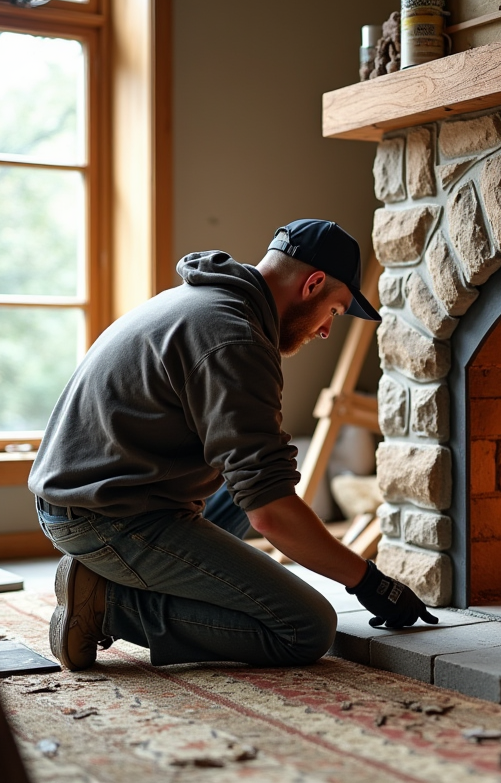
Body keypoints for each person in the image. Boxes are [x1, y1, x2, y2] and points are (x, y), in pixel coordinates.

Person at [29, 218, 436, 672]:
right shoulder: (234, 338)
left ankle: (129, 582)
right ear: (313, 283)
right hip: (103, 517)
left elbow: (257, 481)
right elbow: (271, 512)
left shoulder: (205, 300)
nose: (325, 331)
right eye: (335, 312)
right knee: (304, 627)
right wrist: (368, 581)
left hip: (103, 495)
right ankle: (108, 603)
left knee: (252, 481)